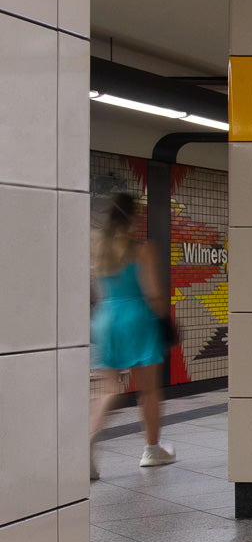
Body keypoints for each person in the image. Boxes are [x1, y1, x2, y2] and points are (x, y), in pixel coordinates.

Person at [88, 193, 176, 476]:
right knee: (148, 389)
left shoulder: (99, 251)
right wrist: (165, 320)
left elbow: (96, 292)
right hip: (138, 319)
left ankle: (87, 444)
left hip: (106, 319)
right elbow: (154, 294)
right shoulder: (142, 249)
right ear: (132, 217)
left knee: (109, 389)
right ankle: (152, 450)